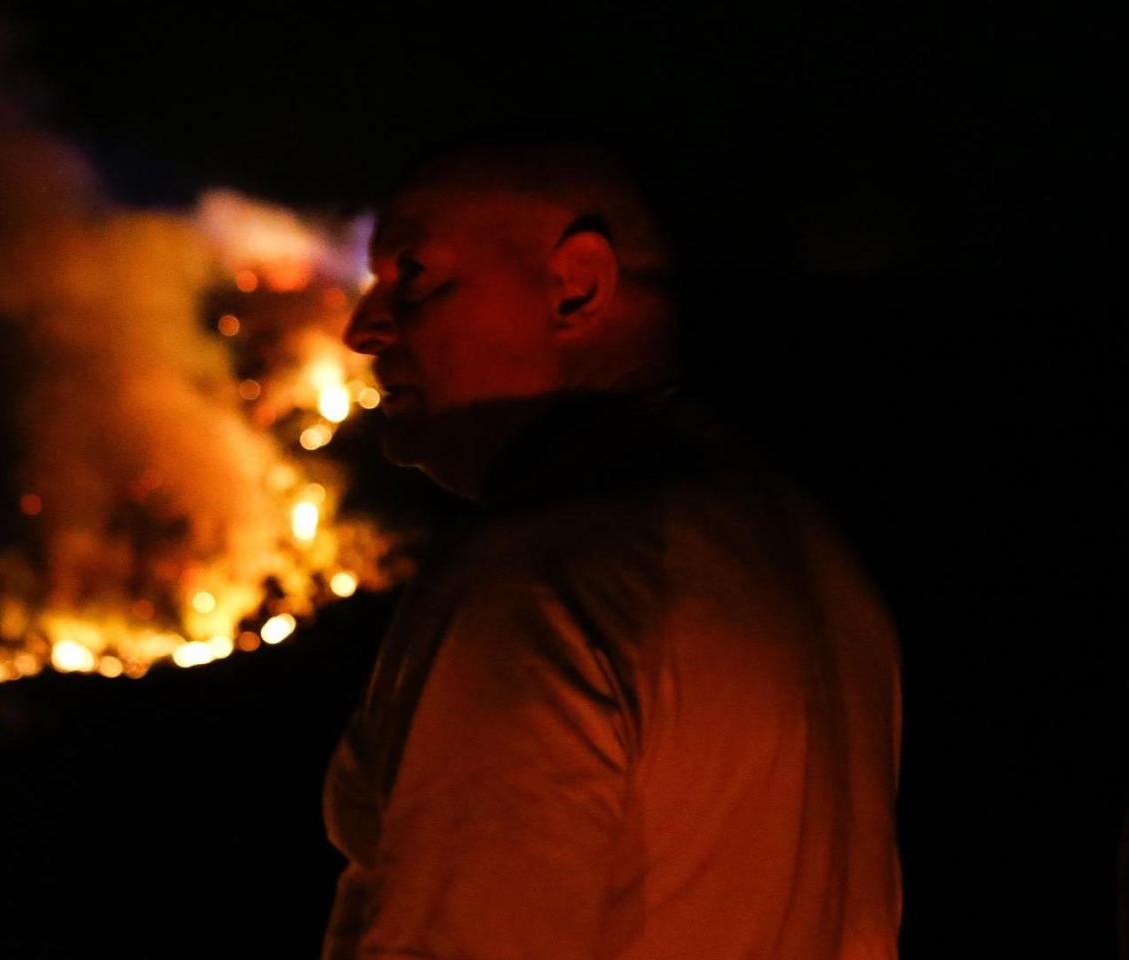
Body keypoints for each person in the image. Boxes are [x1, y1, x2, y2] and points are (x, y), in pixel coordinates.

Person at [321, 137, 902, 959]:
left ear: (576, 286)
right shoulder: (818, 563)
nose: (364, 330)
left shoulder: (542, 575)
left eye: (413, 275)